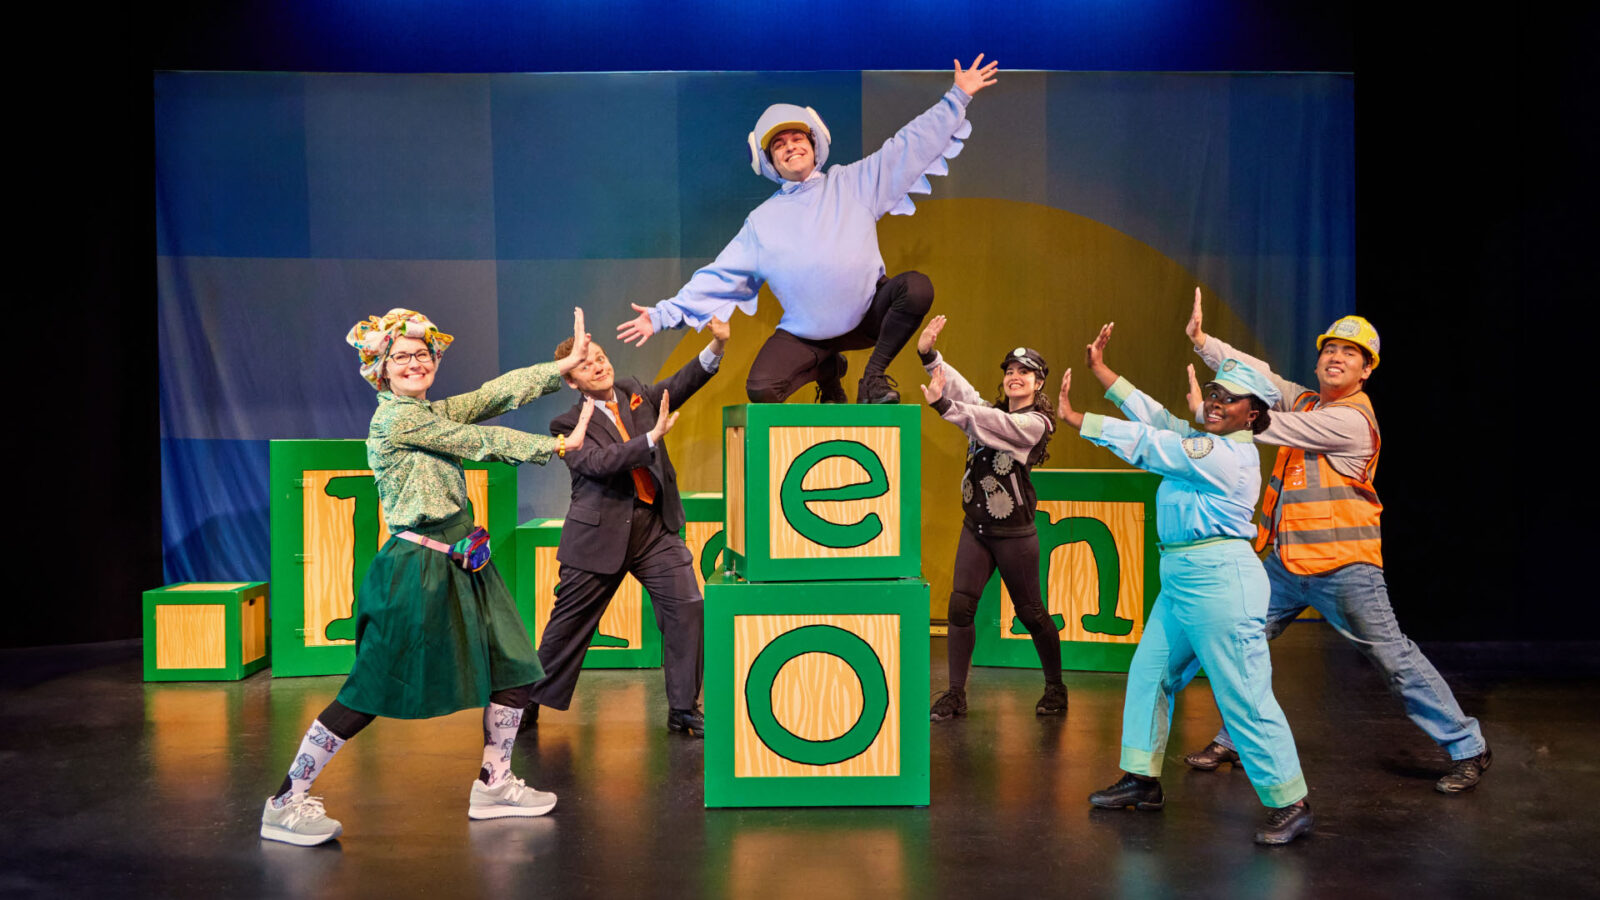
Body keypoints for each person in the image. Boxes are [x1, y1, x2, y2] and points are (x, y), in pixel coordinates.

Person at [260, 307, 597, 847]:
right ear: (382, 370)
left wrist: (561, 369)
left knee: (514, 666)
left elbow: (493, 394)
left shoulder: (430, 410)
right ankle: (285, 800)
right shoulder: (397, 419)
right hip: (415, 568)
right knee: (370, 691)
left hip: (464, 557)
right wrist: (553, 447)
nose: (414, 363)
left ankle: (494, 783)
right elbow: (475, 443)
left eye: (423, 354)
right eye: (401, 357)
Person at [1180, 290, 1490, 792]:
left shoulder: (1351, 419)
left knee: (1395, 661)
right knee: (1243, 644)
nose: (1337, 357)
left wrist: (1220, 413)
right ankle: (1235, 737)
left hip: (1345, 569)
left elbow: (1276, 424)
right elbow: (1259, 374)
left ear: (1366, 371)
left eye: (1351, 353)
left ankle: (1468, 746)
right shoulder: (1304, 398)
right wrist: (1203, 342)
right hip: (1286, 565)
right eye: (1330, 349)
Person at [615, 55, 1000, 405]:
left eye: (797, 138)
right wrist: (662, 315)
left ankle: (873, 378)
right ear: (770, 163)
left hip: (868, 316)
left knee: (917, 288)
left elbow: (906, 147)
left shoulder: (853, 183)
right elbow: (717, 276)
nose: (790, 147)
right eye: (779, 145)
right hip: (806, 335)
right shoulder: (762, 222)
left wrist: (957, 98)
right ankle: (829, 372)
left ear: (815, 145)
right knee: (762, 390)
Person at [1058, 322, 1314, 846]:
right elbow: (1160, 418)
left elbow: (1152, 443)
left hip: (1221, 580)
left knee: (1243, 691)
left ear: (1254, 413)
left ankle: (1292, 801)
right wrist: (1105, 374)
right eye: (1214, 393)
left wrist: (1081, 420)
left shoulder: (1227, 456)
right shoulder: (1204, 441)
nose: (1216, 402)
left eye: (1229, 398)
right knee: (1150, 672)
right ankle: (1142, 778)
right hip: (1182, 577)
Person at [525, 317, 731, 737]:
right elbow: (599, 463)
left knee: (687, 606)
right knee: (567, 627)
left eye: (600, 358)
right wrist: (651, 439)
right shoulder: (566, 426)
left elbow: (680, 384)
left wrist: (716, 346)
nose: (599, 366)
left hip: (654, 527)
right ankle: (524, 704)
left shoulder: (636, 392)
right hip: (599, 534)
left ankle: (683, 709)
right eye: (587, 365)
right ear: (571, 380)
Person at [916, 315, 1066, 721]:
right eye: (1011, 371)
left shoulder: (1036, 424)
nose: (1015, 377)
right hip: (976, 530)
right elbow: (966, 395)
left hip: (1014, 535)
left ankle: (1055, 688)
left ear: (1039, 384)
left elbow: (992, 423)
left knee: (1031, 613)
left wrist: (947, 407)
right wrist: (930, 357)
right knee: (960, 608)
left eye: (1025, 373)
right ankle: (955, 694)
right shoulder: (986, 413)